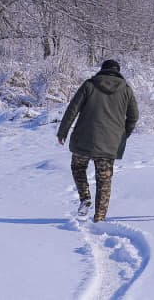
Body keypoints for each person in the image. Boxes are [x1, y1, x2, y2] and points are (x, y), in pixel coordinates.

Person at [57, 59, 139, 222]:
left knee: (78, 166)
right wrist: (123, 135)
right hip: (110, 144)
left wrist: (63, 131)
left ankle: (85, 197)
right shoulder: (126, 90)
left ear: (102, 70)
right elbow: (134, 117)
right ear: (118, 71)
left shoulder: (89, 85)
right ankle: (100, 218)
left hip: (83, 140)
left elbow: (73, 109)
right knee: (104, 179)